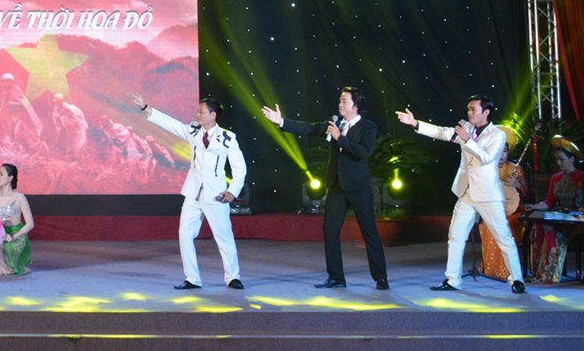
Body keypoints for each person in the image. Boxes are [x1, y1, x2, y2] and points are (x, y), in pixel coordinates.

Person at [261, 87, 389, 290]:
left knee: (369, 232)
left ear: (356, 105)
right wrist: (282, 121)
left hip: (358, 187)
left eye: (344, 101)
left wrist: (340, 138)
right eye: (340, 100)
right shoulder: (335, 123)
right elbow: (310, 128)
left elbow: (363, 153)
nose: (340, 104)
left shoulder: (368, 127)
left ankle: (380, 277)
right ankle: (336, 277)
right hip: (337, 185)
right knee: (330, 230)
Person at [397, 96, 526, 293]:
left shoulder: (497, 135)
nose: (470, 113)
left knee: (503, 237)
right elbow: (442, 132)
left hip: (487, 194)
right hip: (467, 191)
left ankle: (516, 279)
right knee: (456, 235)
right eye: (468, 109)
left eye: (474, 109)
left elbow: (487, 158)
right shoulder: (467, 128)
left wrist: (467, 139)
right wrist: (415, 123)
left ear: (486, 112)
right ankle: (453, 279)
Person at [129, 93, 246, 290]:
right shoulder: (193, 131)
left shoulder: (227, 138)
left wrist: (232, 191)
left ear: (213, 115)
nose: (197, 114)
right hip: (193, 193)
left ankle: (233, 277)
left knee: (223, 236)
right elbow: (171, 124)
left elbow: (239, 167)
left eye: (201, 111)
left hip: (216, 195)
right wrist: (146, 107)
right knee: (185, 234)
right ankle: (192, 278)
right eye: (198, 111)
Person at [524, 145, 584, 283]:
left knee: (551, 230)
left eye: (561, 159)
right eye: (557, 160)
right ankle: (539, 273)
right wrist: (534, 206)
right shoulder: (555, 178)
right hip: (560, 217)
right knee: (538, 226)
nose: (559, 163)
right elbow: (549, 202)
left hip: (576, 220)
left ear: (572, 159)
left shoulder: (583, 178)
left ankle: (550, 274)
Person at [479, 126, 528, 280]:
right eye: (498, 151)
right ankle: (490, 269)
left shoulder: (516, 169)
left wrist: (517, 185)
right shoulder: (487, 168)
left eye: (504, 151)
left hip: (513, 211)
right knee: (486, 226)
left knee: (505, 225)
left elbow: (527, 194)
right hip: (492, 208)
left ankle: (506, 271)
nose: (501, 155)